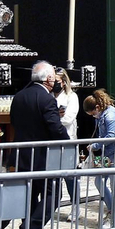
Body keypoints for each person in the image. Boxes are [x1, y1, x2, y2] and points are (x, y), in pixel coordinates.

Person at [8, 61, 70, 229]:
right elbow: (55, 127)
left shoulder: (19, 96)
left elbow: (13, 121)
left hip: (23, 153)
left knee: (31, 195)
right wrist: (68, 143)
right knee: (53, 193)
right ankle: (30, 228)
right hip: (44, 156)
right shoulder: (46, 99)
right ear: (49, 79)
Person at [84, 90, 115, 220]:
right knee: (99, 181)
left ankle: (114, 214)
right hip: (106, 152)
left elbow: (111, 136)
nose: (93, 116)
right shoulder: (104, 114)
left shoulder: (110, 115)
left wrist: (95, 145)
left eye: (92, 114)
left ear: (97, 107)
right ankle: (112, 210)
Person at [51, 66, 81, 209]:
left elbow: (69, 118)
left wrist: (52, 119)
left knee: (70, 176)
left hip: (67, 139)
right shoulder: (49, 96)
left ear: (63, 81)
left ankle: (75, 206)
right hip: (51, 141)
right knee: (53, 176)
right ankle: (53, 204)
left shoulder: (71, 97)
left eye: (57, 80)